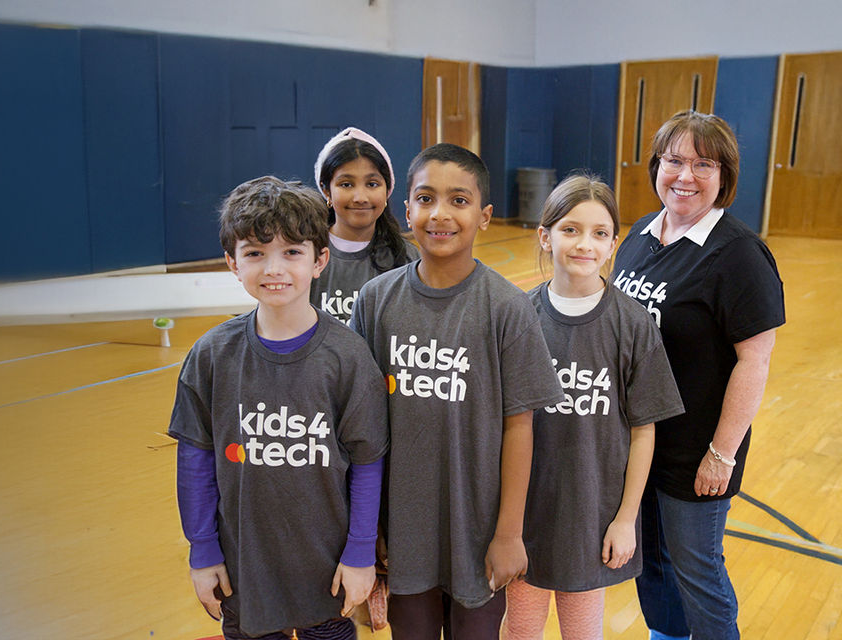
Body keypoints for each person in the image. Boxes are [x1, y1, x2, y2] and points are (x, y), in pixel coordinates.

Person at [348, 144, 564, 640]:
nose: (440, 214)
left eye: (459, 201)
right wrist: (368, 525)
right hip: (403, 535)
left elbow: (520, 426)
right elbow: (361, 428)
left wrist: (509, 533)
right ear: (407, 211)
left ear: (484, 216)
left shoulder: (507, 309)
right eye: (425, 198)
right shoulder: (375, 302)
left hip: (478, 535)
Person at [169, 176, 390, 639]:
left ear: (319, 260)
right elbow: (195, 460)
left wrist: (360, 553)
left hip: (328, 571)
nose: (274, 268)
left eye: (292, 252)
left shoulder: (348, 358)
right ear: (232, 262)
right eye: (255, 253)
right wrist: (202, 550)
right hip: (243, 568)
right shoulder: (211, 356)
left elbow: (368, 464)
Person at [612, 110, 785, 640]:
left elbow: (754, 361)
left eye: (703, 164)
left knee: (697, 569)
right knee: (652, 565)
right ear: (656, 166)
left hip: (697, 449)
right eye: (674, 160)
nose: (685, 176)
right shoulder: (641, 233)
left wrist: (722, 454)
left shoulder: (739, 255)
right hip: (640, 441)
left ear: (724, 176)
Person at [503, 175, 685, 640]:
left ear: (613, 245)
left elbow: (645, 430)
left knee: (582, 631)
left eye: (599, 233)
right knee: (521, 626)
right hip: (525, 515)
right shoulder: (520, 316)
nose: (585, 243)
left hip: (592, 515)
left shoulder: (632, 323)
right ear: (545, 235)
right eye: (570, 229)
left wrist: (626, 520)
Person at [311, 127, 418, 323]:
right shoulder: (305, 255)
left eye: (372, 184)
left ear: (387, 190)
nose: (360, 197)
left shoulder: (408, 259)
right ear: (327, 192)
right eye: (346, 184)